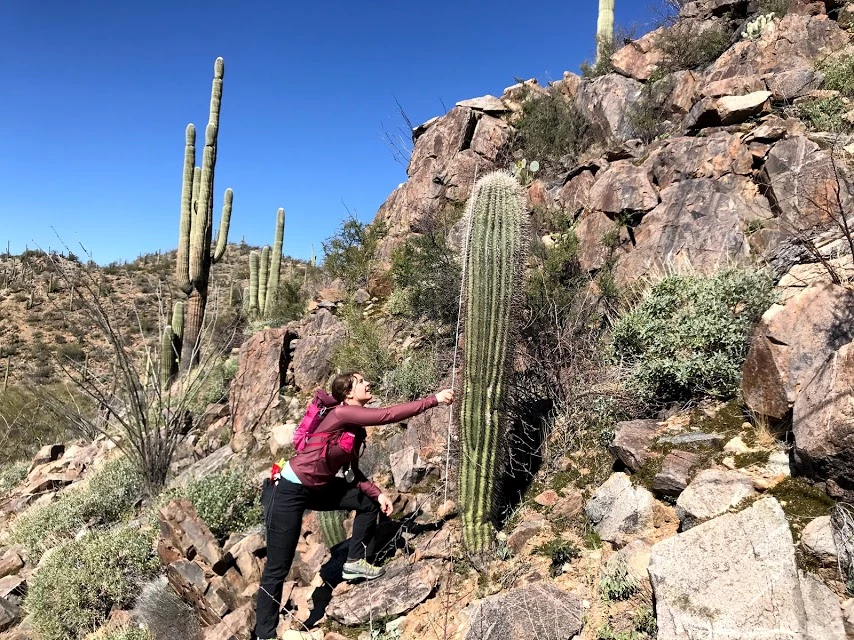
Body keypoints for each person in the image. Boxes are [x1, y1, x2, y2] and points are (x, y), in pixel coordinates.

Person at [254, 371, 454, 640]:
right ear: (348, 393)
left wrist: (378, 493)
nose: (368, 383)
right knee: (278, 567)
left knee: (366, 502)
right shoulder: (341, 414)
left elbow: (352, 473)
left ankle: (354, 562)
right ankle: (263, 634)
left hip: (316, 488)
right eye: (361, 382)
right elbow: (387, 415)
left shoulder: (354, 429)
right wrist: (434, 400)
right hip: (287, 490)